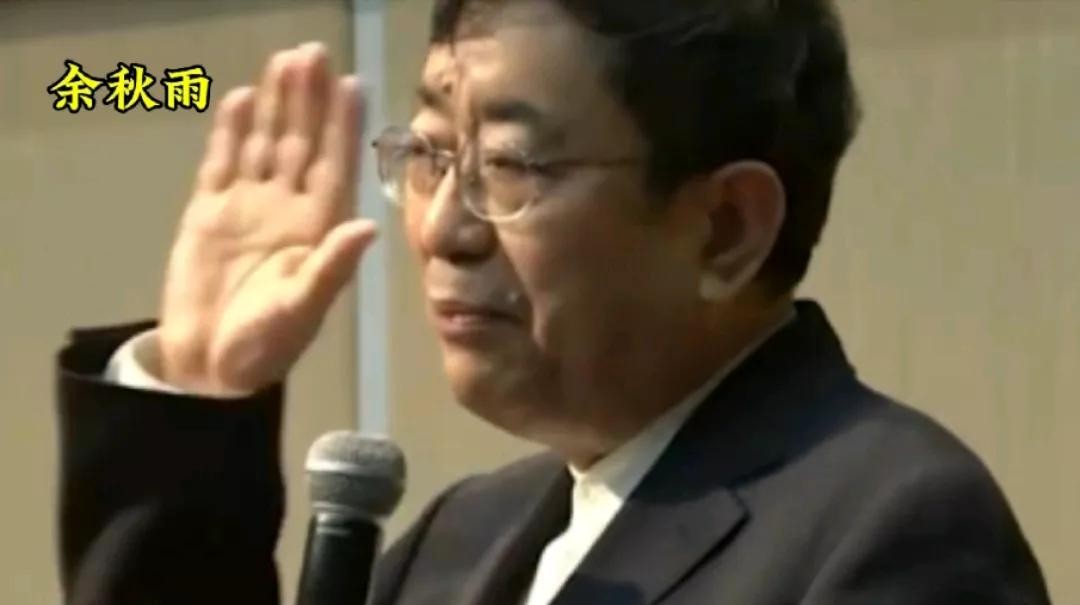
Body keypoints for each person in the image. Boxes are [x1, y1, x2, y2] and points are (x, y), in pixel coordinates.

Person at [56, 0, 1052, 604]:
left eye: (510, 163)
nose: (444, 226)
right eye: (432, 153)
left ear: (725, 228)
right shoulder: (458, 539)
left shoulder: (895, 528)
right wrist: (197, 389)